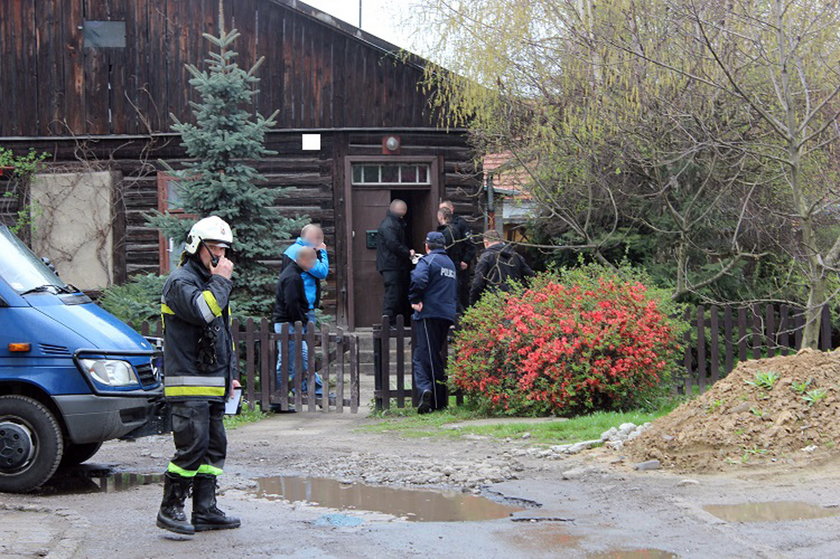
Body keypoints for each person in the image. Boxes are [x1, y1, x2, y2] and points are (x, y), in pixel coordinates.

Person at [157, 215, 241, 535]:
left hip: (214, 383)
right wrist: (221, 280)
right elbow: (203, 312)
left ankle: (205, 510)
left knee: (213, 447)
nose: (220, 255)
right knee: (192, 446)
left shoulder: (212, 282)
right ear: (196, 247)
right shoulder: (181, 282)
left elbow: (221, 334)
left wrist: (230, 374)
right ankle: (170, 508)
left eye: (224, 248)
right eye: (214, 248)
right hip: (188, 385)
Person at [409, 231, 458, 414]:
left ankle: (425, 390)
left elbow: (418, 279)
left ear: (427, 246)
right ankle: (439, 400)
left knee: (422, 356)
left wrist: (415, 299)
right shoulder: (450, 264)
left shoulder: (427, 261)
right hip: (446, 314)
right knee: (434, 355)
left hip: (429, 313)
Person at [273, 247, 323, 399]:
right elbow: (292, 304)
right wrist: (300, 322)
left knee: (291, 359)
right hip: (289, 324)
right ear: (302, 260)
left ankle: (285, 393)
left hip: (288, 323)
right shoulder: (293, 278)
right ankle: (284, 394)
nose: (313, 265)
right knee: (295, 358)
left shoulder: (293, 274)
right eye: (312, 261)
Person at [280, 223, 329, 326]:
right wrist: (323, 252)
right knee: (302, 340)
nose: (320, 242)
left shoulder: (291, 250)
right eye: (318, 239)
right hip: (302, 307)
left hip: (296, 306)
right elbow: (322, 271)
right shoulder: (303, 253)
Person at [469, 229, 535, 305]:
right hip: (516, 300)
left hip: (494, 301)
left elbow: (478, 283)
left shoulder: (486, 258)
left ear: (486, 243)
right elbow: (530, 276)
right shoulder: (516, 256)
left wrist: (473, 303)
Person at [376, 199, 415, 322]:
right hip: (391, 265)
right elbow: (393, 244)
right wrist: (408, 252)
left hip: (393, 264)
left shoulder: (393, 223)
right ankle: (388, 321)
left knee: (396, 292)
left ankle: (393, 321)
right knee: (392, 293)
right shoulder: (389, 225)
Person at [439, 200, 476, 310]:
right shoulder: (444, 227)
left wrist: (466, 260)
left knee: (461, 291)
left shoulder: (460, 223)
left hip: (460, 263)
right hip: (448, 264)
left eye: (445, 209)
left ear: (452, 209)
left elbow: (470, 244)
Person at [436, 207, 467, 313]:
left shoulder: (447, 232)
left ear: (441, 217)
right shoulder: (456, 229)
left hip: (449, 266)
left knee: (452, 296)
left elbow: (445, 251)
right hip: (455, 264)